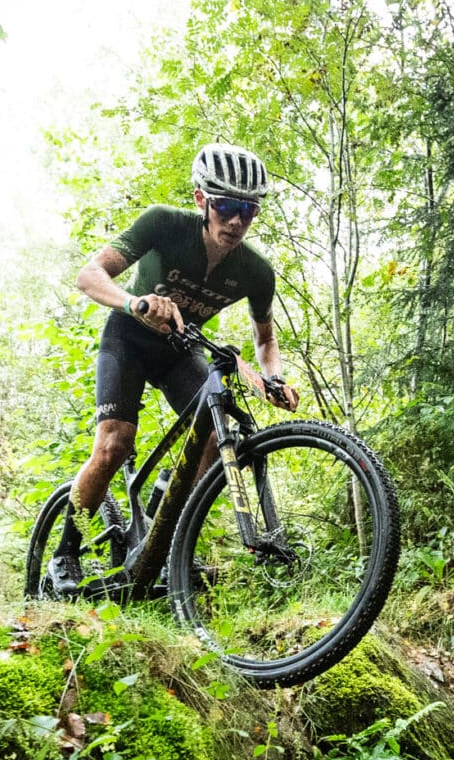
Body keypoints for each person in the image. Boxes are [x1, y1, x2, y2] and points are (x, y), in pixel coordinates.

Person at [47, 143, 301, 587]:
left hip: (182, 348)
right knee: (113, 446)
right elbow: (89, 276)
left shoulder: (256, 271)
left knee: (213, 439)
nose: (237, 220)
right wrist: (135, 302)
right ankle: (66, 553)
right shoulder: (164, 223)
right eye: (226, 206)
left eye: (248, 210)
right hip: (128, 338)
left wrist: (273, 378)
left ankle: (166, 543)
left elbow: (265, 339)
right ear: (203, 200)